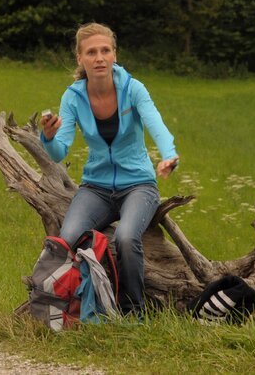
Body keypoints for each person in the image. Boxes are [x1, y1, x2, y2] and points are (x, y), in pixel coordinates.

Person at [39, 23, 179, 315]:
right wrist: (49, 138)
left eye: (105, 50)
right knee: (68, 238)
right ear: (80, 58)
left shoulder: (133, 88)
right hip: (96, 188)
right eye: (92, 52)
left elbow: (156, 124)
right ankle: (71, 306)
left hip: (138, 185)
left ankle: (133, 312)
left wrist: (169, 155)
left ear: (115, 54)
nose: (99, 57)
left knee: (126, 238)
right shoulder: (73, 97)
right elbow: (59, 152)